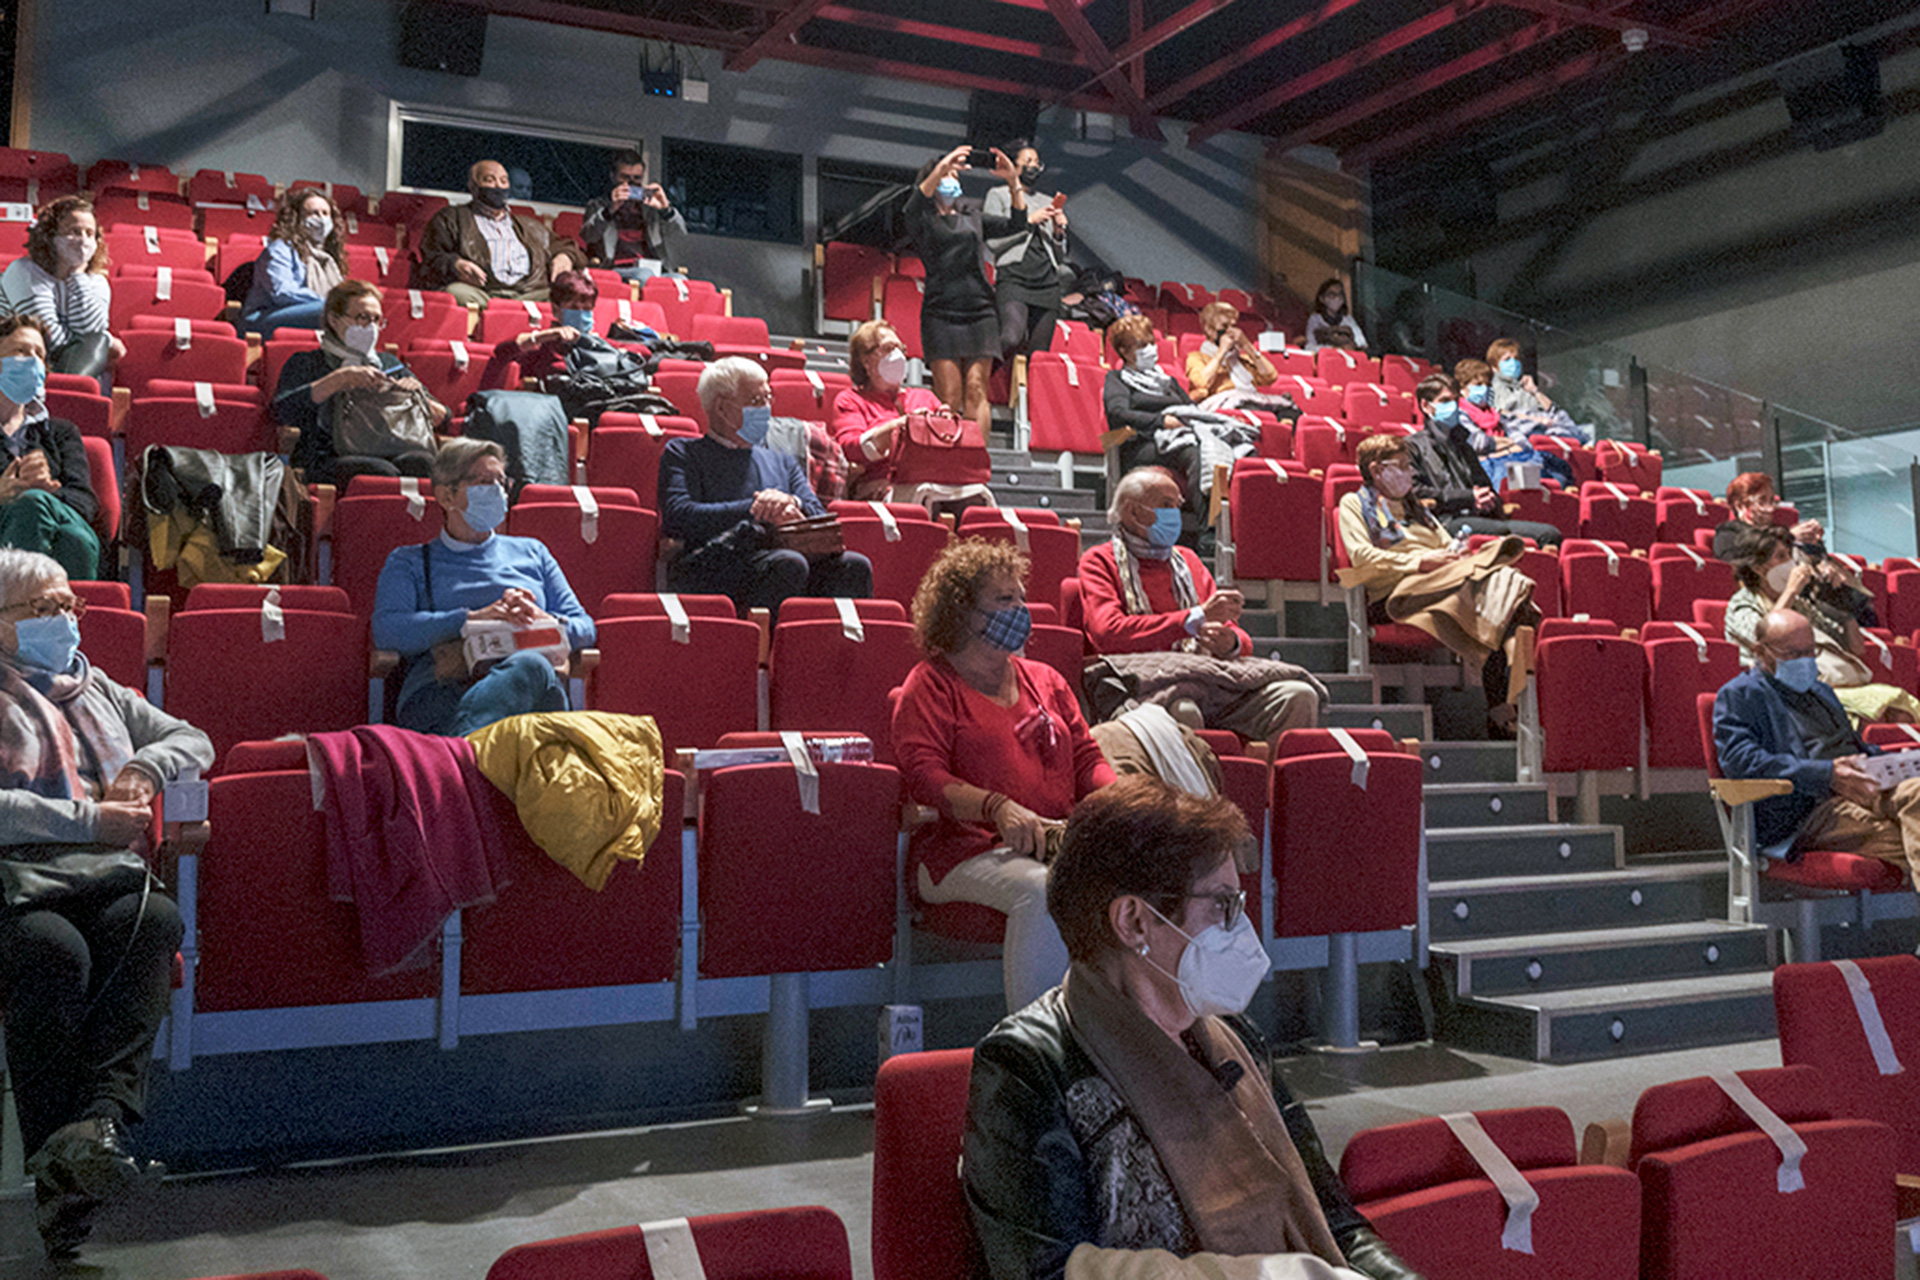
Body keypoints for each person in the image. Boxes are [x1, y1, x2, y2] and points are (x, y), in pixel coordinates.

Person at [963, 777, 1423, 1280]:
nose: (1241, 929)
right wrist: (1272, 1276)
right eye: (1222, 905)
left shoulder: (1237, 1039)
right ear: (1134, 921)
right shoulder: (1027, 1067)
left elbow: (1336, 1225)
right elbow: (1043, 1273)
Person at [0, 548, 213, 1258]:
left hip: (106, 873)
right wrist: (88, 821)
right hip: (16, 877)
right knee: (51, 950)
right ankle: (65, 1180)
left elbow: (193, 740)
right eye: (44, 608)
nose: (65, 620)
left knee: (152, 920)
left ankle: (97, 1125)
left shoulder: (101, 689)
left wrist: (144, 767)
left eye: (70, 605)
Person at [892, 539, 1115, 1013]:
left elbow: (1085, 759)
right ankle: (1035, 1038)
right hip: (960, 851)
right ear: (962, 612)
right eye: (1003, 599)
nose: (1020, 609)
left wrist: (1121, 798)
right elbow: (925, 776)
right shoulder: (930, 684)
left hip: (1052, 842)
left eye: (1020, 597)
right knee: (1042, 889)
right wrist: (996, 807)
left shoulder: (1046, 679)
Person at [1079, 468, 1325, 745]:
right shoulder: (1099, 561)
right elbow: (1108, 633)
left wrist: (1230, 642)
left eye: (1177, 505)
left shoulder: (1188, 561)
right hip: (1146, 685)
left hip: (1207, 679)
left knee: (1297, 696)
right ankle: (1197, 776)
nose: (1175, 515)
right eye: (1166, 505)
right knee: (1185, 711)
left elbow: (1237, 635)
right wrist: (1190, 620)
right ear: (1133, 512)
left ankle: (1269, 774)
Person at [370, 438, 594, 737]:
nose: (498, 491)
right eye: (485, 482)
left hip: (531, 689)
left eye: (502, 482)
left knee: (533, 669)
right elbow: (389, 630)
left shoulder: (533, 553)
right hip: (444, 690)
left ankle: (460, 750)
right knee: (534, 673)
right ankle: (471, 746)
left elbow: (585, 627)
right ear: (446, 495)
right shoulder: (410, 561)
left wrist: (543, 618)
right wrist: (472, 618)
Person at [1338, 434, 1539, 734]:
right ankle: (1508, 698)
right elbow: (1361, 556)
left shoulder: (1417, 509)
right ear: (1376, 470)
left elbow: (1447, 545)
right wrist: (1420, 562)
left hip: (1442, 581)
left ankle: (1503, 703)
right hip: (1397, 591)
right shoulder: (1354, 504)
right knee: (1500, 591)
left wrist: (1455, 554)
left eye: (1409, 465)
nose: (1409, 472)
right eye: (1401, 465)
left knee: (1501, 583)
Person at [1714, 607, 1920, 891]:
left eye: (1811, 651)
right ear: (1761, 651)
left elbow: (1854, 746)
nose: (1806, 661)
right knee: (1902, 835)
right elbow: (1741, 762)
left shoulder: (1822, 691)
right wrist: (1826, 774)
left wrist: (1898, 762)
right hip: (1806, 809)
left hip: (1860, 784)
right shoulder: (1740, 695)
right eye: (1793, 654)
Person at [659, 355, 872, 615]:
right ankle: (762, 641)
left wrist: (791, 503)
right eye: (756, 401)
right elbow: (678, 516)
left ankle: (830, 641)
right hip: (714, 559)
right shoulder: (684, 453)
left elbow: (817, 513)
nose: (766, 409)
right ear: (722, 408)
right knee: (788, 564)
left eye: (768, 398)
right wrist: (756, 508)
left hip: (780, 552)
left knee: (854, 566)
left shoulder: (781, 460)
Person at [1722, 523, 1916, 725]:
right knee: (1867, 719)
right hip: (1784, 693)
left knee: (1900, 709)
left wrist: (1839, 599)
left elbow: (1855, 648)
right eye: (1781, 557)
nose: (1790, 563)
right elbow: (1763, 637)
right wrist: (1791, 591)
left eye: (1789, 555)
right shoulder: (1741, 604)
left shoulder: (1800, 604)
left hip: (1830, 686)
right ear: (1758, 568)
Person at [272, 280, 448, 487]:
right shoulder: (306, 362)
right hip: (328, 453)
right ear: (334, 319)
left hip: (393, 446)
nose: (371, 326)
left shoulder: (389, 363)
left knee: (424, 463)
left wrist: (418, 397)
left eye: (376, 319)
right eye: (362, 318)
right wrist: (339, 379)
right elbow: (281, 411)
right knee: (380, 472)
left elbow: (444, 417)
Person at [905, 145, 1025, 437]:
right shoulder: (923, 219)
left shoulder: (972, 216)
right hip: (941, 313)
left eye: (956, 176)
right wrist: (943, 163)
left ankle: (977, 457)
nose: (953, 180)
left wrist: (1013, 182)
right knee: (949, 396)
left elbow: (1017, 223)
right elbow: (913, 204)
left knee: (976, 389)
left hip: (980, 312)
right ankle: (949, 457)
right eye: (949, 175)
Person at [1104, 314, 1261, 514]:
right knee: (1194, 453)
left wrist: (1220, 421)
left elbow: (1191, 410)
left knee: (1234, 445)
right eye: (1142, 345)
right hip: (1143, 442)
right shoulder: (1118, 379)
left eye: (1152, 343)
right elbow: (1118, 413)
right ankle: (1209, 526)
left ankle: (1239, 517)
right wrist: (1161, 421)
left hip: (1179, 436)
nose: (1150, 349)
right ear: (1124, 351)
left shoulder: (1167, 381)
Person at [831, 318, 993, 511]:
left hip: (938, 483)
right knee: (925, 497)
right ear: (866, 360)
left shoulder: (924, 396)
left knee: (979, 496)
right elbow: (849, 449)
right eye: (889, 348)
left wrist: (945, 424)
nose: (898, 355)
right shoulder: (851, 400)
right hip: (884, 487)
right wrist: (902, 426)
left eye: (901, 349)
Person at [1403, 372, 1562, 547]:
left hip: (1477, 517)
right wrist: (1469, 498)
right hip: (1444, 521)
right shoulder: (1412, 446)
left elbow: (1485, 486)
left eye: (1455, 401)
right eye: (1445, 401)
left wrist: (1488, 500)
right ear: (1426, 406)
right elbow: (1417, 492)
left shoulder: (1463, 444)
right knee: (1502, 533)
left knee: (1549, 534)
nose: (1453, 407)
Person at [0, 316, 99, 580]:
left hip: (58, 520)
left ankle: (18, 601)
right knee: (71, 538)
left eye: (39, 355)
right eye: (21, 351)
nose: (33, 361)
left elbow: (86, 503)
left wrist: (47, 492)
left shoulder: (61, 432)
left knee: (38, 506)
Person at [1711, 471, 1873, 625]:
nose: (1770, 508)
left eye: (1771, 501)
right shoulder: (1728, 535)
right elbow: (1745, 558)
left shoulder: (1779, 531)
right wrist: (1791, 537)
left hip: (1824, 601)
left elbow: (1815, 558)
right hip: (1784, 604)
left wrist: (1824, 563)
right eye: (1761, 501)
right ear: (1740, 506)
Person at [415, 160, 576, 310]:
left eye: (503, 181)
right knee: (455, 292)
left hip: (528, 293)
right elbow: (432, 257)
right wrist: (455, 265)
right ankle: (495, 316)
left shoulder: (529, 225)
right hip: (482, 293)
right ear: (473, 185)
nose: (498, 186)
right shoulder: (451, 218)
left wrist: (564, 256)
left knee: (569, 293)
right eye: (489, 180)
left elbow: (565, 245)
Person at [0, 195, 119, 381]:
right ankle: (66, 391)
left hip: (69, 363)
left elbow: (91, 334)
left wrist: (77, 274)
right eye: (74, 231)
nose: (83, 240)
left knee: (98, 343)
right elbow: (46, 337)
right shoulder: (23, 271)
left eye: (89, 233)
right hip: (17, 354)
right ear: (50, 236)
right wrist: (107, 339)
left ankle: (66, 391)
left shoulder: (98, 283)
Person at [486, 268, 653, 385]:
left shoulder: (597, 344)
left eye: (587, 309)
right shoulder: (545, 346)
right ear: (556, 309)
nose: (581, 314)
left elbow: (644, 352)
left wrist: (599, 346)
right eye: (573, 308)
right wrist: (546, 335)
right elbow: (501, 352)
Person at [982, 139, 1068, 361]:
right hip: (1014, 278)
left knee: (1038, 355)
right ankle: (979, 374)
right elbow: (993, 243)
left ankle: (1024, 385)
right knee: (1011, 336)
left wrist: (1059, 231)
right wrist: (1028, 221)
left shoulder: (1047, 201)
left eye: (1037, 162)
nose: (1033, 167)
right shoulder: (998, 194)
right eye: (1028, 161)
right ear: (1015, 165)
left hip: (1047, 282)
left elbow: (1059, 256)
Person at [239, 187, 346, 337]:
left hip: (308, 313)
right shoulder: (280, 249)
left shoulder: (329, 258)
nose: (321, 219)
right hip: (264, 317)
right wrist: (325, 301)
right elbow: (281, 292)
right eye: (314, 213)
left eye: (325, 213)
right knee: (330, 312)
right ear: (297, 218)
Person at [1451, 357, 1570, 490]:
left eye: (1487, 384)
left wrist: (1502, 446)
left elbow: (1522, 441)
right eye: (1478, 385)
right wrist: (1509, 445)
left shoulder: (1494, 413)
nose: (1484, 389)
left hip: (1510, 458)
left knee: (1553, 464)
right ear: (1462, 389)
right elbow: (1478, 443)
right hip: (1490, 467)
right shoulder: (1460, 415)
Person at [577, 147, 688, 280]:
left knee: (680, 280)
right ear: (613, 177)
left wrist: (666, 210)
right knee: (644, 275)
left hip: (653, 267)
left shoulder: (650, 207)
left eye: (637, 178)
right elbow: (588, 236)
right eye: (624, 177)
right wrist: (609, 210)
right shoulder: (598, 205)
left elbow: (680, 235)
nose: (631, 183)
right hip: (615, 268)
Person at [1485, 337, 1590, 442]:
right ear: (1494, 367)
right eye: (1507, 359)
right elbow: (1501, 414)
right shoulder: (1491, 389)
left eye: (1516, 359)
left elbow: (1551, 409)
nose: (1513, 363)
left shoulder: (1523, 388)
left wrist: (1535, 391)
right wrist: (1537, 420)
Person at [1184, 300, 1284, 410]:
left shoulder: (1240, 361)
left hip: (1252, 401)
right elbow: (1200, 383)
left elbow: (1270, 376)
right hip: (1224, 406)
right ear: (1209, 330)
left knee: (1287, 408)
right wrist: (1221, 352)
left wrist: (1247, 346)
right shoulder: (1197, 357)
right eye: (1225, 326)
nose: (1230, 331)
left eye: (1233, 326)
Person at [1303, 277, 1365, 352]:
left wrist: (1352, 345)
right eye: (1332, 294)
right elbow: (1309, 346)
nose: (1337, 298)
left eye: (1340, 294)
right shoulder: (1315, 319)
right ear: (1321, 298)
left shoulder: (1348, 319)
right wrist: (1334, 349)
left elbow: (1362, 343)